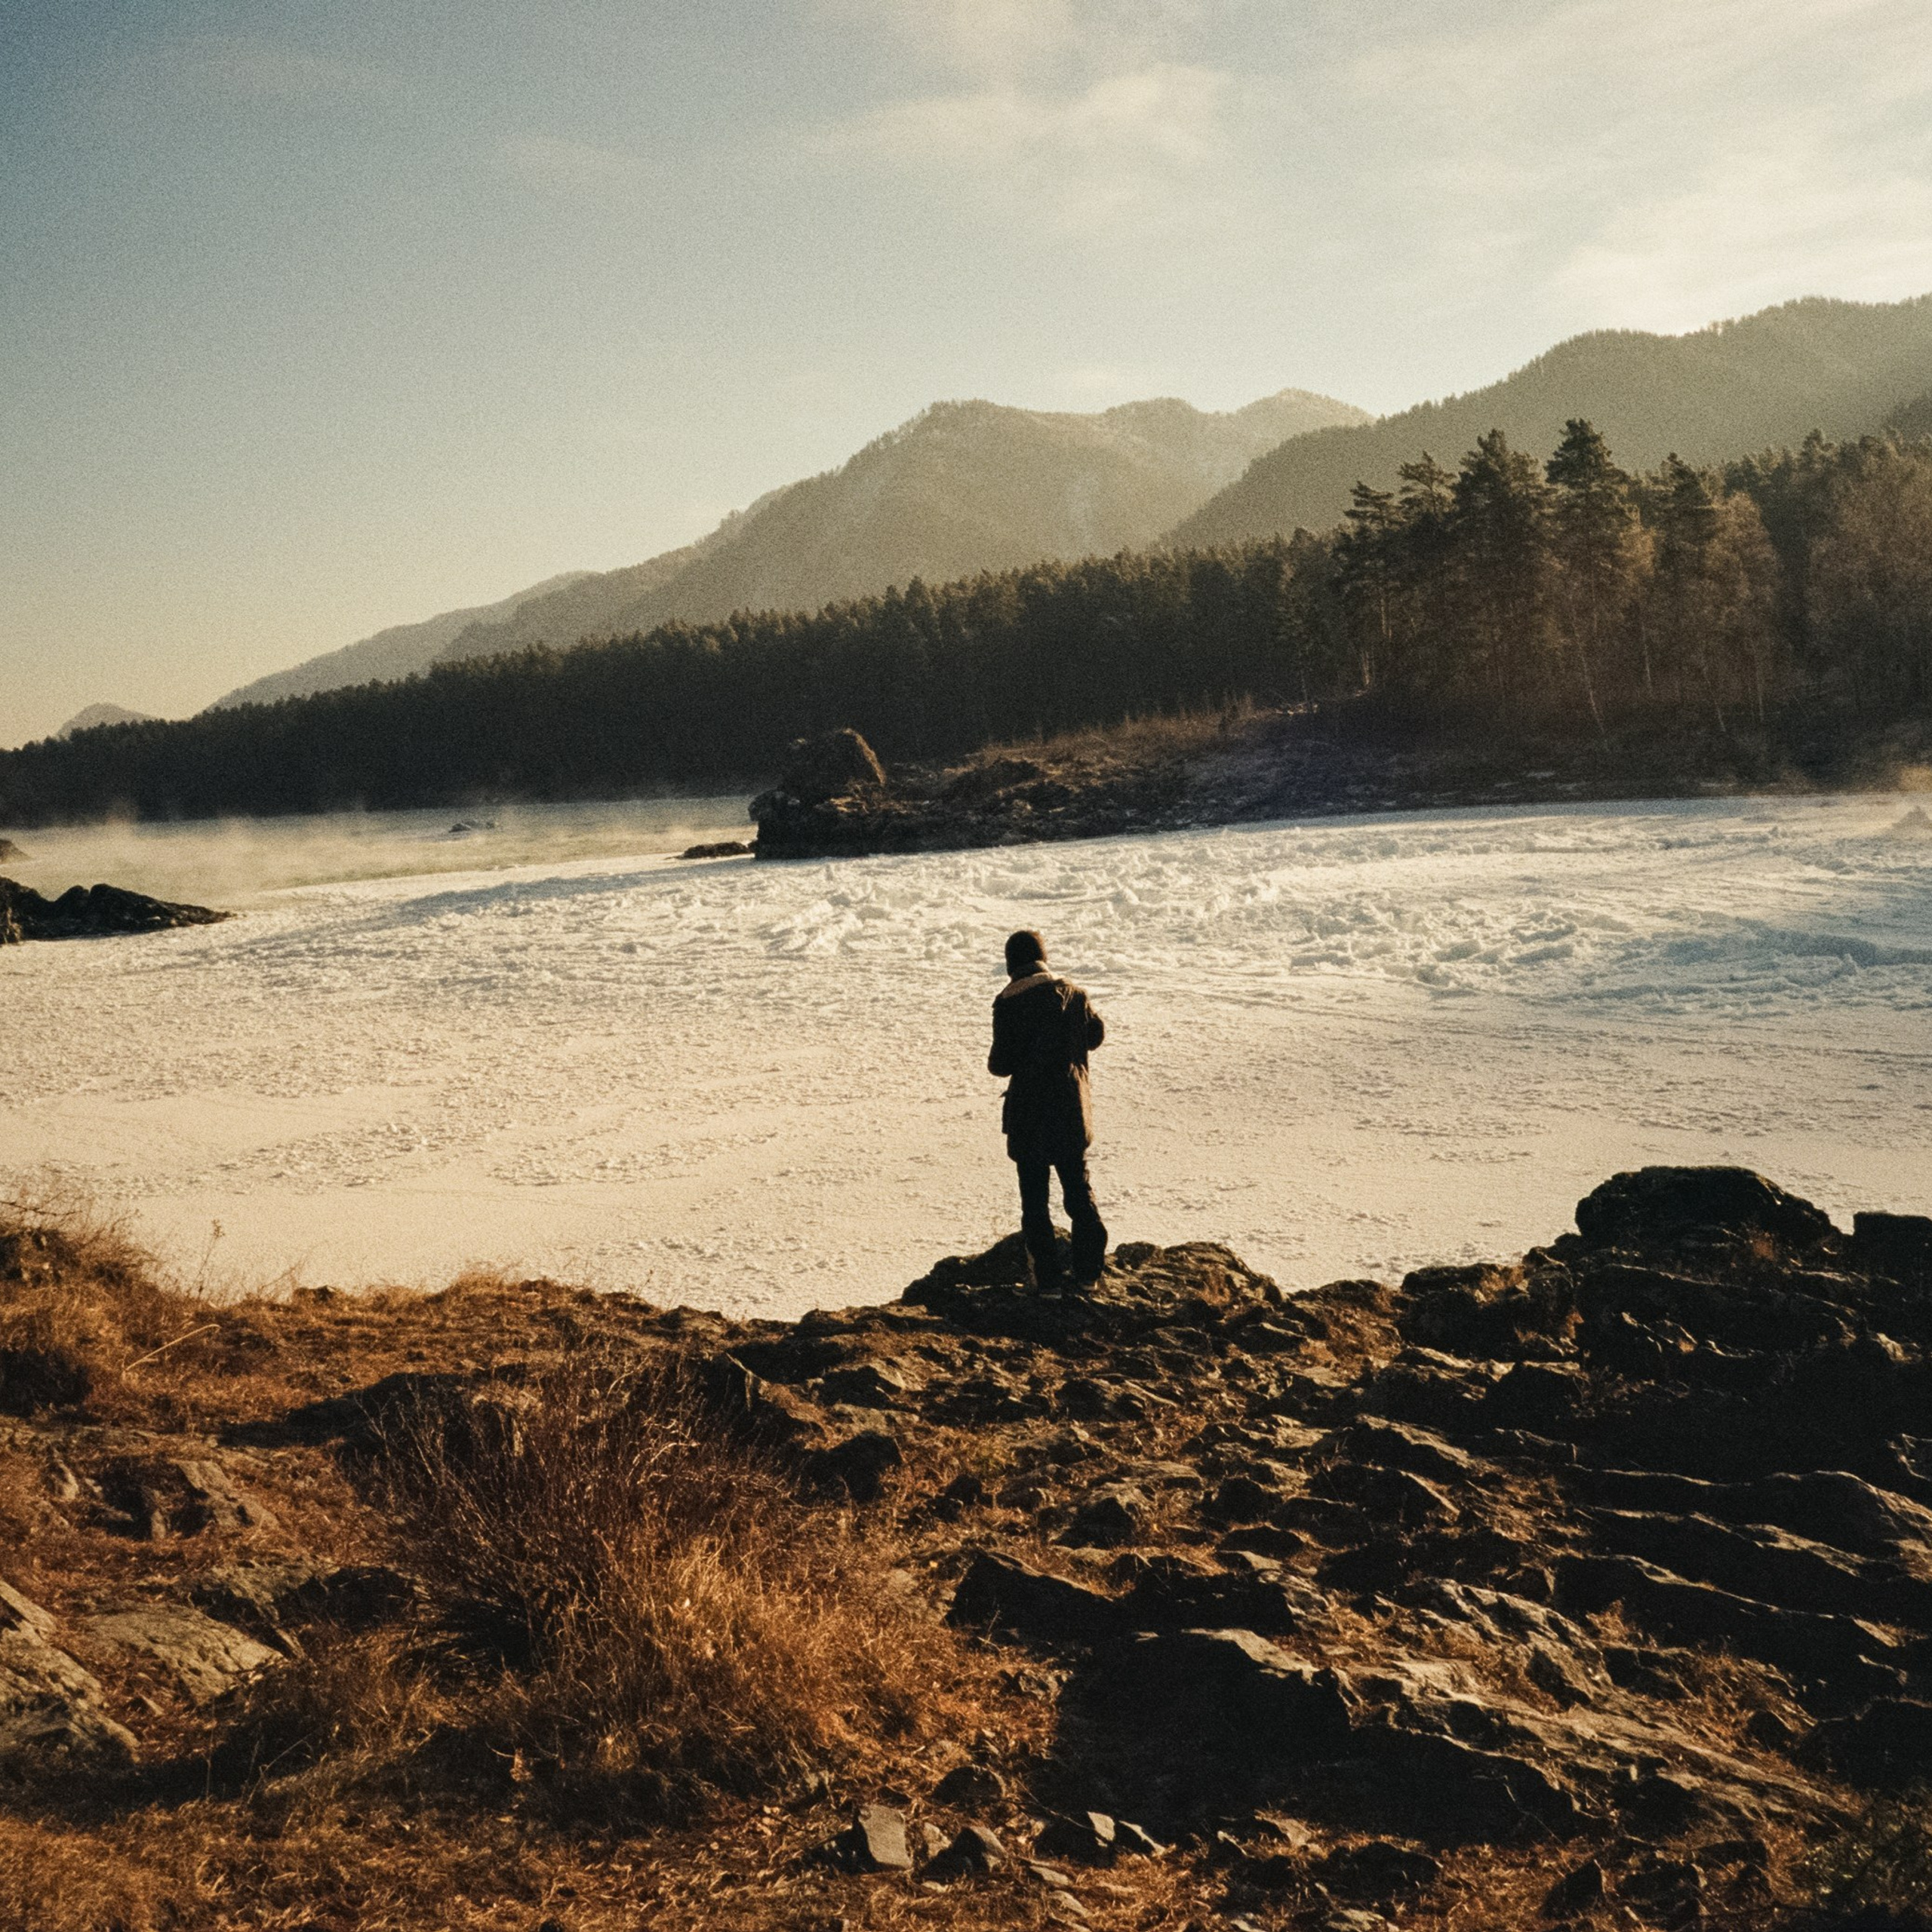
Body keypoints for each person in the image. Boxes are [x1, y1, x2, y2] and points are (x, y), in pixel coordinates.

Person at [988, 929, 1108, 1287]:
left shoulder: (1008, 1003)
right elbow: (1096, 1036)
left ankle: (1049, 1282)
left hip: (1029, 1116)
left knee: (1035, 1202)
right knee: (1078, 1191)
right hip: (1071, 1109)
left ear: (1012, 965)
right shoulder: (1074, 994)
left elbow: (1000, 1064)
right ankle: (1089, 1274)